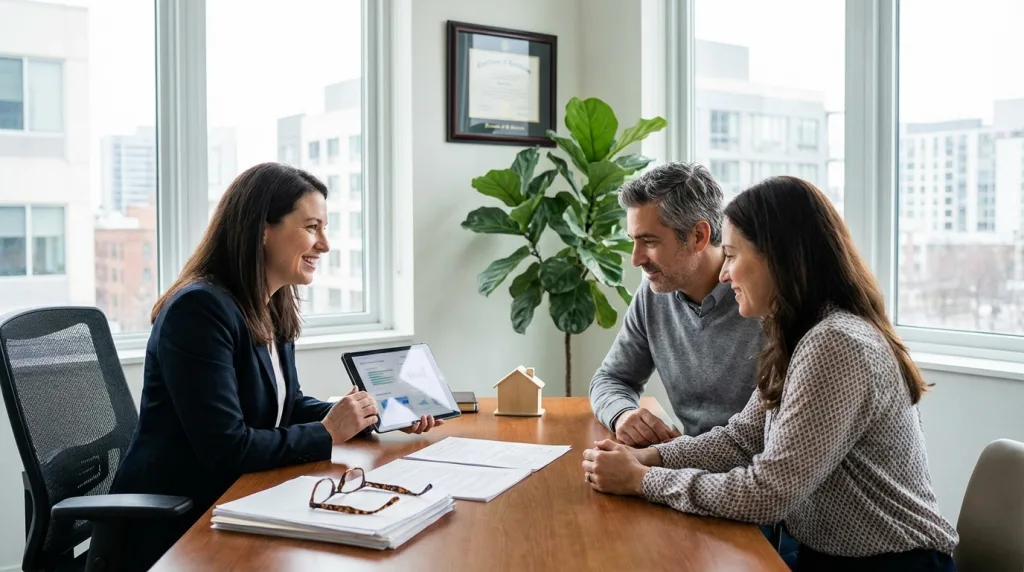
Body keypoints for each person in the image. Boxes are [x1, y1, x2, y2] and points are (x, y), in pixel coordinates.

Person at [581, 176, 959, 571]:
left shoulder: (835, 342)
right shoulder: (799, 333)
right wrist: (648, 457)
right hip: (827, 556)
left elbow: (768, 493)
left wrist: (642, 480)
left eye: (731, 256)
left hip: (895, 564)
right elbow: (741, 439)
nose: (724, 274)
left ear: (777, 259)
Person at [110, 163, 442, 571]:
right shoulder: (198, 310)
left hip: (239, 500)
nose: (325, 245)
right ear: (262, 229)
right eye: (312, 227)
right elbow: (227, 450)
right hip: (180, 523)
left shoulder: (272, 302)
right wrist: (327, 432)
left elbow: (287, 405)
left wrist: (364, 416)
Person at [589, 161, 764, 444]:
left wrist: (659, 457)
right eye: (633, 240)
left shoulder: (762, 298)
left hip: (750, 466)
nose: (636, 259)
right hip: (688, 461)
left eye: (649, 242)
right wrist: (622, 414)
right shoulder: (653, 294)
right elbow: (611, 378)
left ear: (698, 236)